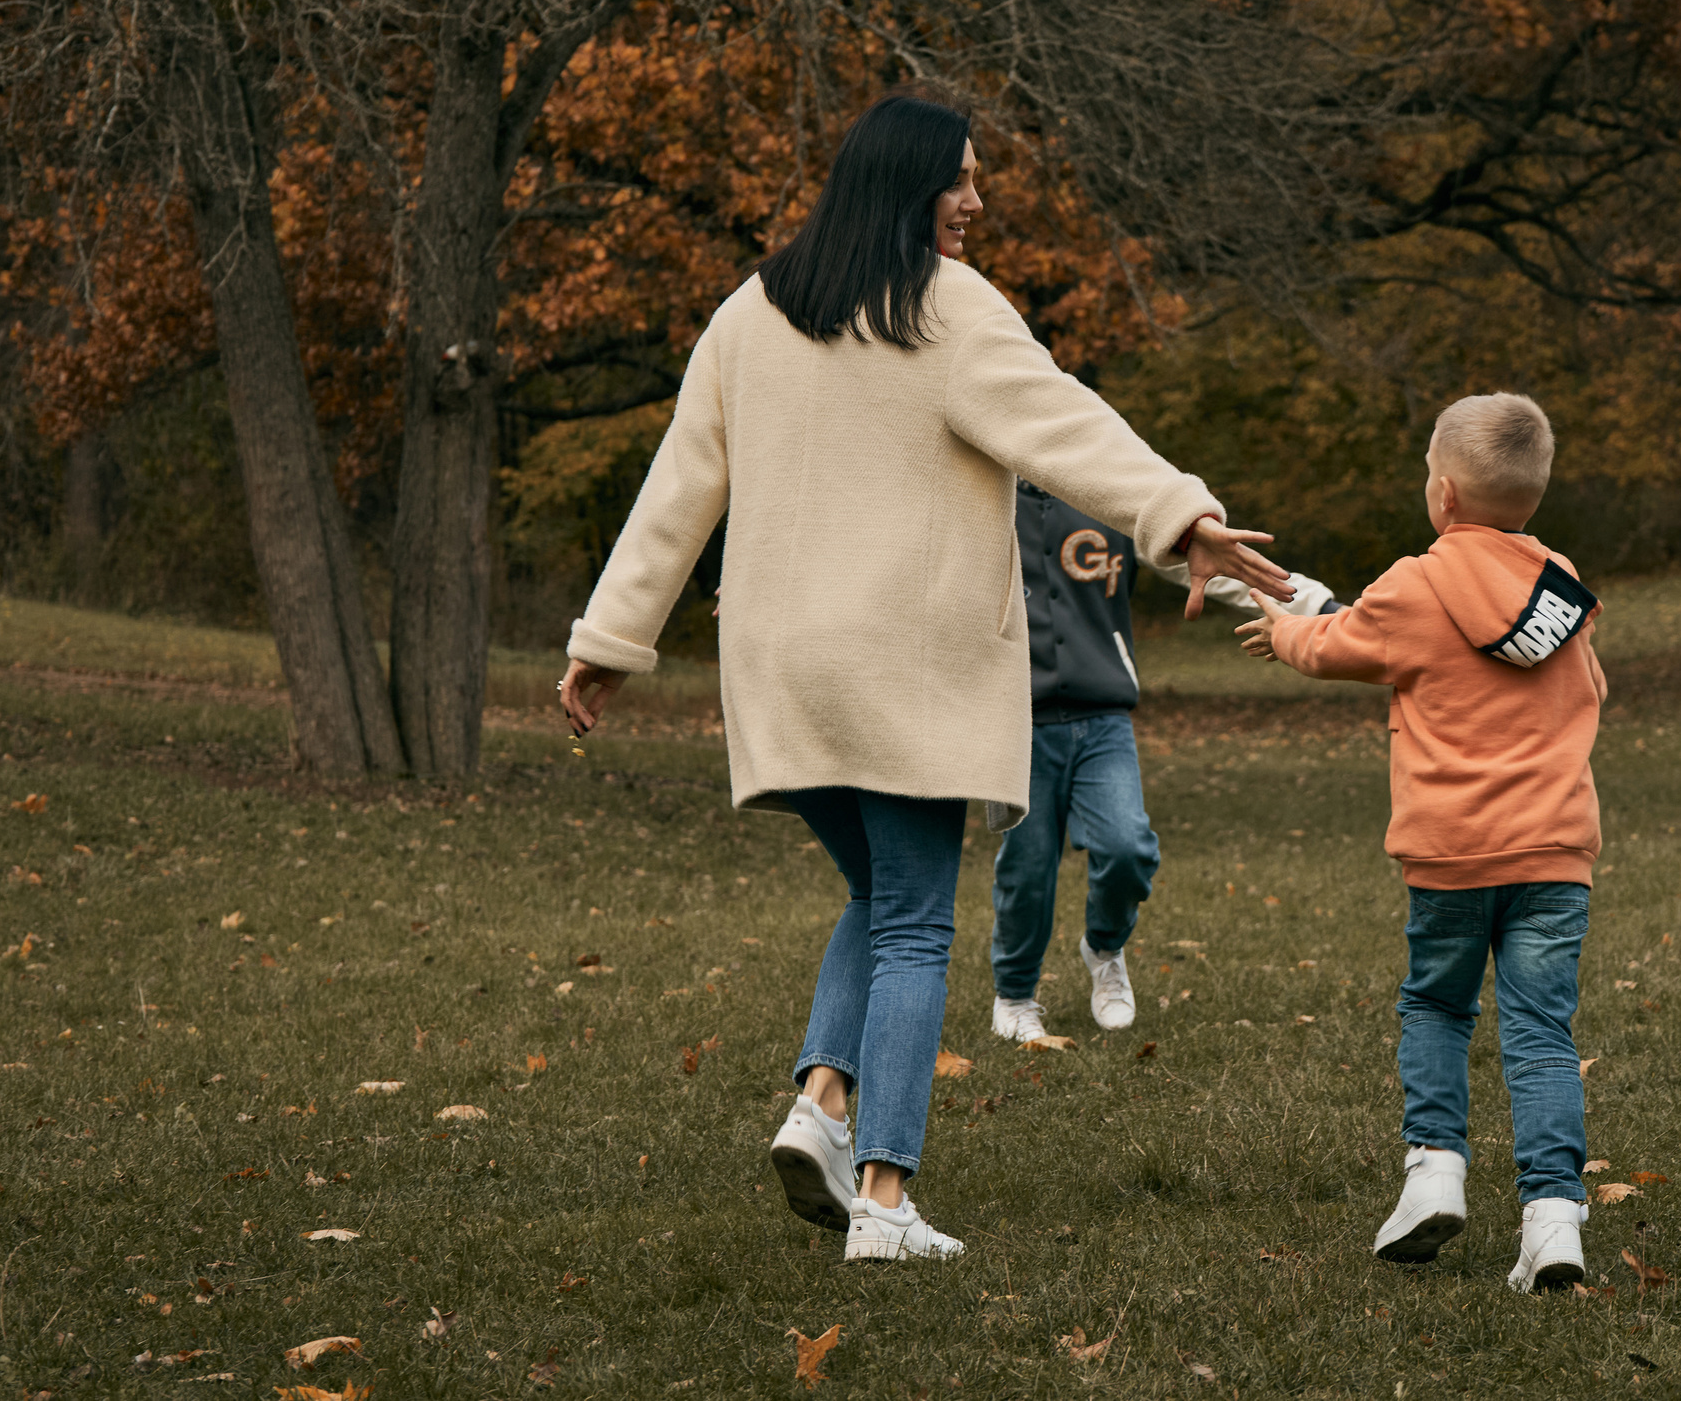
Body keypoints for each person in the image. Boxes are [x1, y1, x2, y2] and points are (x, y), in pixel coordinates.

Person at [558, 91, 1291, 1264]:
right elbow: (1070, 427)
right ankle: (884, 1205)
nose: (976, 198)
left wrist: (607, 640)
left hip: (780, 666)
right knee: (912, 926)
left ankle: (821, 1106)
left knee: (878, 897)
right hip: (899, 661)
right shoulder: (942, 308)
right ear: (908, 185)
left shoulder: (751, 311)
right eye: (960, 178)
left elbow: (676, 487)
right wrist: (1182, 517)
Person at [1236, 393, 1606, 1292]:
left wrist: (1281, 626)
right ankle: (1554, 1216)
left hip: (1449, 855)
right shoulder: (1561, 583)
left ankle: (1435, 1171)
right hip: (1554, 852)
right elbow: (1590, 686)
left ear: (1441, 493)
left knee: (1438, 1007)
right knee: (1542, 1032)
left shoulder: (1411, 583)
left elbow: (1336, 646)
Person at [992, 483, 1338, 1044]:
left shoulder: (1104, 491)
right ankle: (1015, 994)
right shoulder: (982, 495)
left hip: (1103, 716)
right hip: (1015, 723)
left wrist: (1316, 605)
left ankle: (1104, 949)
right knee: (1027, 869)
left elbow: (1212, 560)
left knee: (1127, 849)